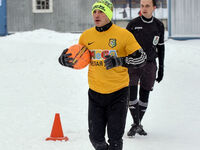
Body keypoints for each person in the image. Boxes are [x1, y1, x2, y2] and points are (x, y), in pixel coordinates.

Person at [58, 0, 146, 149]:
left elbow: (141, 58)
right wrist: (65, 60)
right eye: (94, 11)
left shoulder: (123, 35)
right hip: (95, 94)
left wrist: (120, 61)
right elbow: (79, 59)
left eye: (101, 11)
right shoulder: (86, 36)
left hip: (118, 93)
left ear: (109, 14)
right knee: (96, 139)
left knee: (115, 139)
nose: (97, 15)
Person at [126, 0, 165, 137]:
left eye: (147, 6)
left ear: (154, 7)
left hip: (150, 64)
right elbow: (124, 45)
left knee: (144, 95)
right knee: (131, 96)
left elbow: (160, 47)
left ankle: (137, 124)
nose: (144, 8)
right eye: (142, 5)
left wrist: (161, 68)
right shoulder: (132, 24)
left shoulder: (159, 25)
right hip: (133, 64)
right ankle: (136, 124)